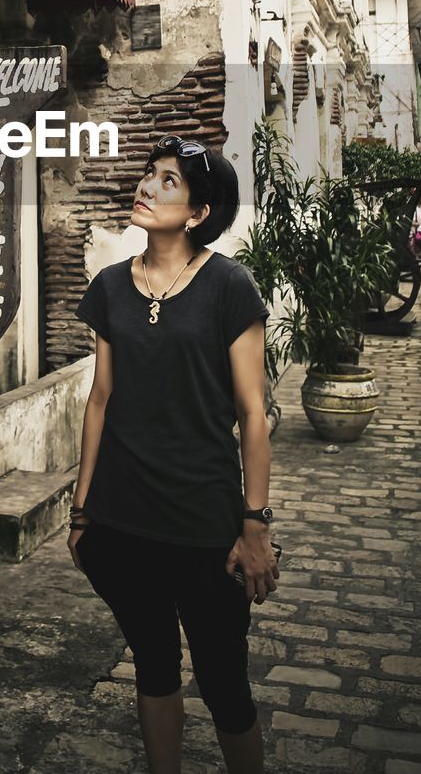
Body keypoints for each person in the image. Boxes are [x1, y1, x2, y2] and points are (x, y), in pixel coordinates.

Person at [69, 135, 279, 774]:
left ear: (197, 213)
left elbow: (253, 414)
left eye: (169, 181)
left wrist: (255, 524)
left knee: (224, 686)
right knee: (154, 665)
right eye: (149, 173)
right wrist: (81, 512)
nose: (148, 185)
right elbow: (101, 399)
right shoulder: (109, 287)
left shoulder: (228, 287)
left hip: (203, 522)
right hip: (122, 519)